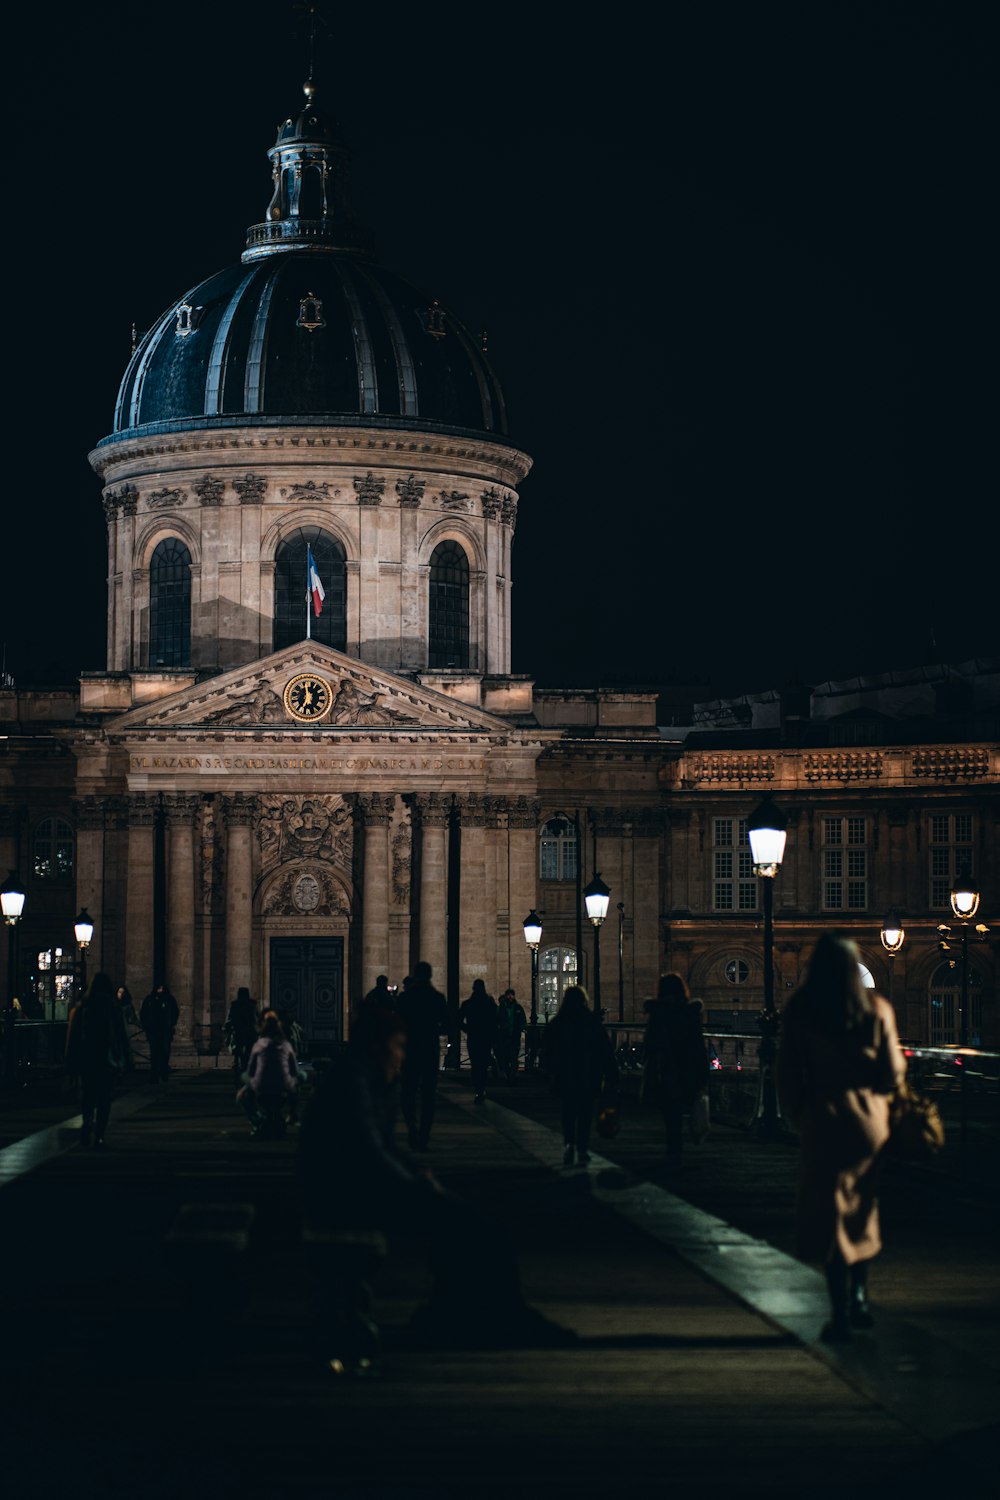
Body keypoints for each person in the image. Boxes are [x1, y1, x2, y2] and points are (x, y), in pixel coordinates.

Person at [298, 1004, 575, 1350]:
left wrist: (417, 1175)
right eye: (398, 1046)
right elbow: (369, 1152)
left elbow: (377, 1148)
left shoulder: (361, 1079)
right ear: (377, 1047)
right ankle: (471, 1311)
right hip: (349, 1195)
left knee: (463, 1223)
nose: (402, 1056)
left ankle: (460, 1307)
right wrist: (415, 1184)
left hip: (353, 1189)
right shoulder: (357, 1083)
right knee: (470, 1226)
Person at [777, 933, 905, 1343]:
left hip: (824, 1117)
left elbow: (787, 1072)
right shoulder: (877, 1009)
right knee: (862, 1205)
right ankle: (861, 1296)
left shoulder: (803, 1010)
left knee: (828, 1212)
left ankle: (840, 1313)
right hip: (870, 1122)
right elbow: (893, 1073)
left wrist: (797, 1113)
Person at [640, 972, 710, 1172]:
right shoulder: (690, 1012)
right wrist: (703, 1073)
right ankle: (676, 1151)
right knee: (680, 1109)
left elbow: (650, 1043)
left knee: (670, 1113)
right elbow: (698, 1045)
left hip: (665, 1069)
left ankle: (673, 1151)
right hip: (686, 1068)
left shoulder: (657, 1012)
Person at [544, 985, 617, 1168]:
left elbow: (546, 1048)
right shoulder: (592, 1023)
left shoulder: (558, 1023)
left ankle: (569, 1143)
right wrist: (611, 1074)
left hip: (566, 1074)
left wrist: (551, 1069)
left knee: (568, 1111)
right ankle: (582, 1147)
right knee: (585, 1113)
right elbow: (606, 1051)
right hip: (589, 1074)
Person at [65, 972, 129, 1148]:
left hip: (87, 1058)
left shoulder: (81, 1008)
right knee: (104, 1098)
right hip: (105, 1058)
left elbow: (73, 1038)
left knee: (87, 1094)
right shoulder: (112, 1008)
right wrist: (126, 1059)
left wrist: (70, 1063)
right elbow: (121, 1037)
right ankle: (99, 1133)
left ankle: (87, 1122)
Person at [395, 961, 449, 1149]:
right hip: (429, 1049)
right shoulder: (437, 997)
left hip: (410, 1049)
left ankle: (412, 1127)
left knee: (408, 1092)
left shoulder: (405, 997)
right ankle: (424, 1135)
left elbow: (396, 1024)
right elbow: (447, 1025)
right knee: (428, 1095)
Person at [240, 1010, 300, 1137]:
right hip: (283, 1087)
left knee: (243, 1086)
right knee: (298, 1078)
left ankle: (258, 1121)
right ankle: (293, 1113)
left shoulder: (258, 1045)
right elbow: (294, 1070)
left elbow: (250, 1071)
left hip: (261, 1088)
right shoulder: (286, 1045)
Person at [459, 978, 498, 1103]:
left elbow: (458, 1019)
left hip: (474, 1037)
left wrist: (467, 1029)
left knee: (475, 1065)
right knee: (482, 1065)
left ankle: (478, 1089)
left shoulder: (468, 1004)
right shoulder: (489, 1003)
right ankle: (481, 1088)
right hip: (485, 1037)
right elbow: (495, 1021)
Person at [140, 981, 179, 1083]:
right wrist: (147, 1026)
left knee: (165, 1052)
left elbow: (175, 1012)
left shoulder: (169, 999)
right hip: (154, 1030)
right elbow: (143, 1014)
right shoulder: (150, 999)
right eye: (159, 988)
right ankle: (155, 1075)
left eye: (162, 988)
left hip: (165, 1030)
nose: (160, 991)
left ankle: (163, 1073)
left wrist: (171, 1023)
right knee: (154, 1054)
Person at [224, 986, 259, 1074]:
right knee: (250, 1049)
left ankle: (237, 1062)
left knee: (237, 1048)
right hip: (250, 1032)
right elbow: (257, 1018)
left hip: (238, 1031)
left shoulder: (235, 1005)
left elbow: (230, 1018)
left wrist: (226, 1027)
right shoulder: (253, 1005)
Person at [495, 989, 527, 1082]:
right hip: (505, 1035)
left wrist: (522, 1028)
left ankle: (512, 1074)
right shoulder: (501, 1007)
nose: (510, 997)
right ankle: (509, 1073)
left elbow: (522, 1019)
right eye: (508, 995)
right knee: (506, 1055)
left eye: (511, 995)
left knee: (513, 1056)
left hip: (514, 1035)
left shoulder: (517, 1007)